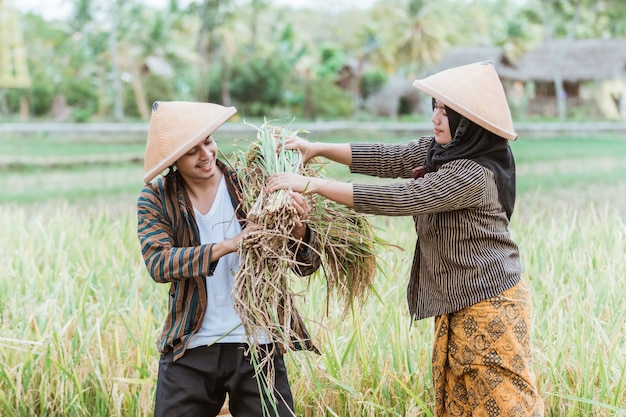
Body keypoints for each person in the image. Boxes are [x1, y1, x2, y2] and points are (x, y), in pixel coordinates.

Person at [267, 61, 545, 416]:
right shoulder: (441, 152)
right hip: (458, 299)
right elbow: (389, 157)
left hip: (490, 304)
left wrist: (314, 185)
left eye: (448, 113)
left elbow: (403, 198)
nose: (436, 119)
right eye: (436, 108)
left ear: (471, 123)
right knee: (462, 400)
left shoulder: (473, 173)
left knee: (504, 400)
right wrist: (317, 148)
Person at [137, 101, 322, 417]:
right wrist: (229, 245)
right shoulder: (157, 197)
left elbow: (306, 264)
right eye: (192, 150)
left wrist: (300, 228)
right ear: (173, 159)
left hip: (256, 343)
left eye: (208, 141)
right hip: (190, 346)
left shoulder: (250, 184)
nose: (206, 154)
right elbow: (159, 263)